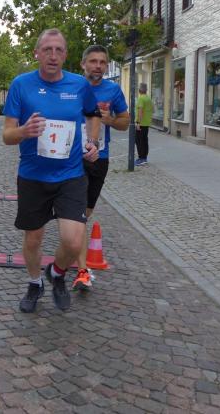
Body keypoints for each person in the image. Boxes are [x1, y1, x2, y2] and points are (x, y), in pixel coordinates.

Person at [3, 28, 101, 314]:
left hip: (71, 175)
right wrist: (23, 130)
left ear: (66, 55)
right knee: (34, 239)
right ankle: (35, 283)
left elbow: (93, 115)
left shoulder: (79, 85)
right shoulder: (21, 85)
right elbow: (7, 135)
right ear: (37, 53)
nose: (53, 55)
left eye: (59, 50)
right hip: (33, 176)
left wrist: (93, 143)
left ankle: (57, 273)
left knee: (73, 241)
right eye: (47, 50)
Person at [74, 45, 129, 291]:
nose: (98, 66)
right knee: (76, 215)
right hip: (72, 157)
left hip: (99, 158)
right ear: (83, 64)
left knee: (85, 213)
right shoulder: (71, 86)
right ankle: (82, 269)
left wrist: (110, 120)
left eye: (102, 62)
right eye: (93, 61)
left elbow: (125, 122)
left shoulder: (112, 90)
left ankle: (74, 252)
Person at [135, 82, 153, 165]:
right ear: (146, 90)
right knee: (145, 140)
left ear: (139, 90)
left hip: (141, 123)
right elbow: (153, 110)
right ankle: (144, 158)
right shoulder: (149, 99)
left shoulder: (141, 99)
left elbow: (140, 111)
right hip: (147, 123)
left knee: (139, 141)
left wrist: (138, 122)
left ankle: (141, 158)